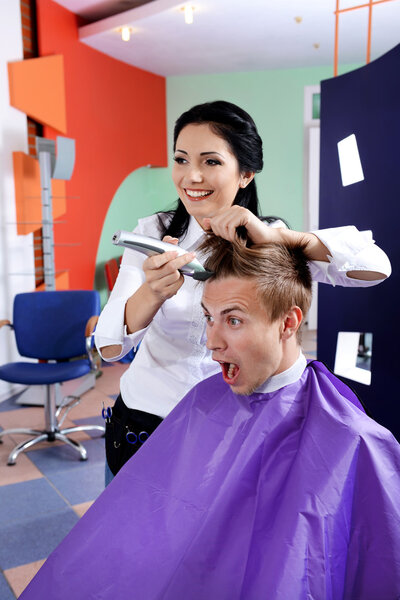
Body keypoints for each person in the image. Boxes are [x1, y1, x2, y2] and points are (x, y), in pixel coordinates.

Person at [21, 236, 400, 599]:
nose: (212, 341)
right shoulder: (203, 401)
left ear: (288, 323)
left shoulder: (354, 438)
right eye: (208, 317)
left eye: (233, 320)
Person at [94, 100, 391, 481]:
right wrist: (152, 293)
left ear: (246, 173)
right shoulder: (153, 232)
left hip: (233, 427)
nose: (192, 176)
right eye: (181, 160)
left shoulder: (267, 237)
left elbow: (376, 267)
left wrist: (281, 238)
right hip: (147, 424)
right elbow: (110, 346)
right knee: (127, 538)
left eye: (211, 162)